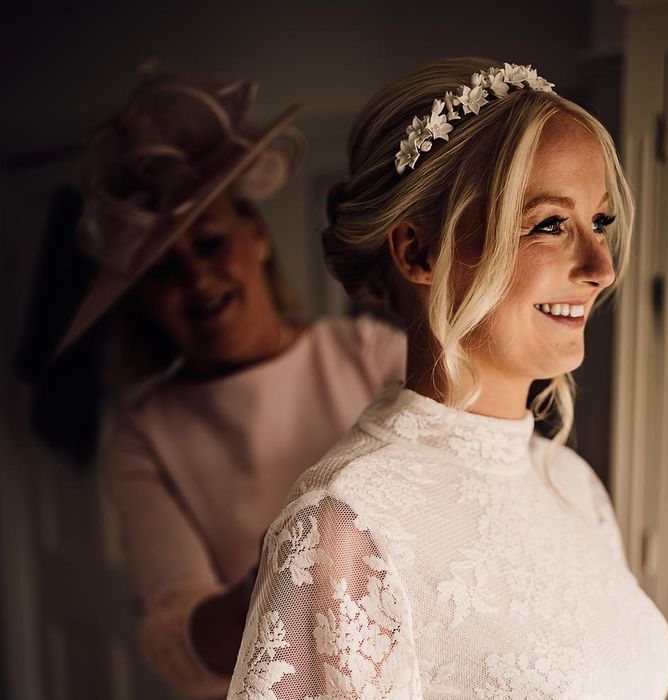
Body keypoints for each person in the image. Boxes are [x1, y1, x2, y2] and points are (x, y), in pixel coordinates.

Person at [227, 58, 668, 699]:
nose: (600, 266)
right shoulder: (346, 527)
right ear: (419, 252)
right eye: (550, 224)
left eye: (599, 222)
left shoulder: (574, 485)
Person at [51, 66, 406, 699]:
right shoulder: (144, 435)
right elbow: (176, 644)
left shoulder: (372, 355)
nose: (195, 279)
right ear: (142, 299)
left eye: (210, 243)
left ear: (257, 237)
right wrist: (286, 573)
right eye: (163, 271)